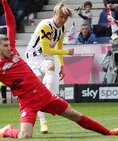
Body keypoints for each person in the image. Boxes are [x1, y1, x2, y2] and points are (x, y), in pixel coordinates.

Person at [0, 0, 118, 139]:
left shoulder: (14, 52)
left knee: (73, 114)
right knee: (25, 135)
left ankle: (108, 132)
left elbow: (11, 23)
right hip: (27, 101)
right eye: (6, 46)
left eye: (10, 44)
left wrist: (4, 3)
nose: (10, 47)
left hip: (43, 94)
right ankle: (6, 132)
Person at [25, 1, 74, 134]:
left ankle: (46, 98)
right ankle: (43, 122)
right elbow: (47, 49)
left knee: (51, 66)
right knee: (38, 84)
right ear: (54, 14)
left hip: (46, 57)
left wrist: (62, 65)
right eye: (61, 17)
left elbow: (58, 48)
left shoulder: (62, 29)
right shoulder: (45, 25)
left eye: (65, 18)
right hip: (33, 57)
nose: (63, 20)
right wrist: (67, 52)